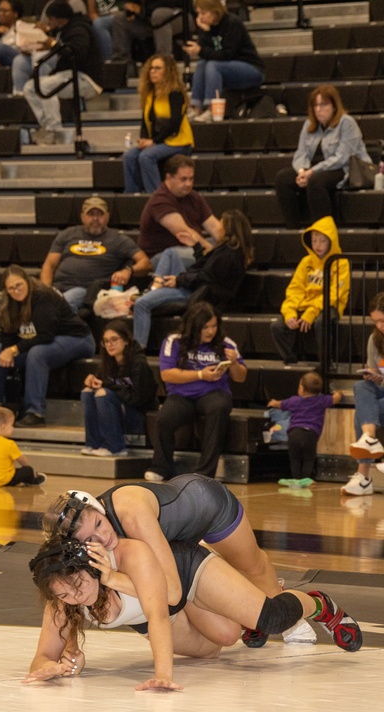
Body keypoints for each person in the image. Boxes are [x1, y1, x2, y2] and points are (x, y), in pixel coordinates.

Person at [24, 531, 361, 690]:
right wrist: (55, 665)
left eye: (78, 585)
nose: (75, 598)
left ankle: (318, 604)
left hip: (183, 574)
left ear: (91, 566)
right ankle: (243, 605)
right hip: (162, 612)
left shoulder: (124, 559)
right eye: (64, 595)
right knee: (219, 645)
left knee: (266, 618)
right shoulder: (64, 603)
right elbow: (42, 657)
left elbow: (158, 609)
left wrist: (163, 675)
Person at [42, 477, 322, 648]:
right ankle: (235, 587)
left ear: (99, 508)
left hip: (207, 507)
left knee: (252, 565)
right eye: (90, 538)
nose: (103, 537)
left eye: (100, 524)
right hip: (172, 542)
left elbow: (173, 592)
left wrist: (115, 579)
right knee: (227, 631)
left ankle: (288, 613)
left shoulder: (131, 515)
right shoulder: (92, 531)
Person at [146, 302, 245, 481]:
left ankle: (205, 473)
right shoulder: (174, 341)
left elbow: (241, 378)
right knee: (165, 418)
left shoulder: (226, 343)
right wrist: (201, 374)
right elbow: (167, 374)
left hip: (213, 393)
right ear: (193, 326)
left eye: (214, 326)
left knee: (220, 407)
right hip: (181, 395)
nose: (210, 331)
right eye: (205, 327)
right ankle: (160, 467)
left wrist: (235, 363)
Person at [0, 265, 95, 428]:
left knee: (37, 353)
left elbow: (45, 335)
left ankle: (35, 413)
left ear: (27, 281)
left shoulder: (43, 295)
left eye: (19, 285)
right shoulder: (9, 303)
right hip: (47, 340)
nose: (16, 290)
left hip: (78, 339)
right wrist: (6, 350)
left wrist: (13, 350)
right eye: (11, 288)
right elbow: (8, 334)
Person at [132, 208, 252, 347]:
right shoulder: (228, 250)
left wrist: (179, 281)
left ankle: (137, 351)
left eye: (221, 223)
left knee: (141, 304)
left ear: (228, 228)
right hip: (197, 286)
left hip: (198, 293)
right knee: (171, 253)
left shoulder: (229, 254)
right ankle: (155, 288)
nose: (218, 227)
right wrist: (195, 246)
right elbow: (205, 267)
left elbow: (206, 278)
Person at [274, 85, 370, 230]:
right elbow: (301, 153)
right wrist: (302, 171)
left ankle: (324, 232)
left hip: (343, 169)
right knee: (282, 178)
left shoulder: (347, 123)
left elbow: (342, 157)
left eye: (323, 104)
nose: (318, 109)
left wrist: (312, 171)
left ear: (334, 106)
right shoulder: (309, 124)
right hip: (314, 170)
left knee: (315, 181)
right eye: (315, 105)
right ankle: (293, 229)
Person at [39, 195, 149, 313]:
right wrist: (47, 290)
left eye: (100, 214)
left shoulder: (118, 239)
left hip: (86, 290)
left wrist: (128, 270)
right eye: (91, 214)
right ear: (82, 217)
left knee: (62, 304)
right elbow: (49, 265)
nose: (95, 218)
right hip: (57, 287)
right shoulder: (67, 234)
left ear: (107, 217)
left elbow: (146, 263)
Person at [270, 216, 350, 365]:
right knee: (276, 327)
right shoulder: (306, 262)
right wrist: (289, 312)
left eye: (322, 240)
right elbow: (295, 289)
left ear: (331, 241)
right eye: (314, 240)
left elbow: (334, 294)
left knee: (321, 322)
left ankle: (326, 363)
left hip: (329, 306)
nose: (317, 245)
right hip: (304, 305)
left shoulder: (341, 262)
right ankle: (290, 360)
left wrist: (312, 311)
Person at [23, 2, 104, 146]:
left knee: (44, 88)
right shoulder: (64, 29)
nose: (48, 22)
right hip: (69, 74)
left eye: (50, 19)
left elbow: (76, 53)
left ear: (58, 19)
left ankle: (55, 130)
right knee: (30, 87)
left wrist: (53, 44)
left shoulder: (79, 29)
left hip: (86, 78)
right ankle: (47, 126)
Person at [81, 319, 158, 456]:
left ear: (126, 341)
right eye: (106, 341)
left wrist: (108, 386)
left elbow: (138, 400)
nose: (109, 345)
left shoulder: (138, 364)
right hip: (118, 412)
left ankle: (114, 447)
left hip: (138, 416)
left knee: (103, 394)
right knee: (87, 392)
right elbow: (101, 382)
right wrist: (91, 381)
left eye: (114, 339)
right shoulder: (108, 362)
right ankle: (93, 443)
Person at [183, 0, 264, 123]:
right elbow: (206, 52)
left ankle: (211, 108)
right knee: (202, 64)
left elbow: (227, 54)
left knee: (212, 65)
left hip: (250, 69)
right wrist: (205, 32)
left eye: (203, 13)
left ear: (215, 11)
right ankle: (196, 107)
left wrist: (200, 50)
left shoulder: (232, 23)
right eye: (198, 14)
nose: (200, 17)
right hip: (227, 69)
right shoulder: (209, 28)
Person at [123, 54, 193, 194]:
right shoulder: (149, 94)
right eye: (151, 68)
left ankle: (156, 197)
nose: (153, 71)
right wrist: (143, 139)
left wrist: (154, 141)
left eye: (157, 68)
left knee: (146, 156)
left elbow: (174, 123)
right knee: (129, 156)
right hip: (158, 142)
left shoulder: (175, 93)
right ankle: (131, 194)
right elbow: (145, 121)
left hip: (177, 141)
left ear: (167, 71)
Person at [138, 155, 223, 267]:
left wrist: (230, 247)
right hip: (161, 256)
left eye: (191, 179)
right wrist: (210, 252)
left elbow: (213, 226)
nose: (188, 184)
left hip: (189, 248)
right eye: (183, 179)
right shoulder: (160, 200)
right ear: (169, 177)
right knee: (179, 253)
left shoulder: (194, 197)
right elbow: (185, 233)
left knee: (223, 244)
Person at [268, 372, 342, 485]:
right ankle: (306, 479)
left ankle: (296, 479)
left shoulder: (294, 400)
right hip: (311, 434)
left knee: (294, 458)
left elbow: (281, 404)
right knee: (309, 458)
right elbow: (335, 399)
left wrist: (274, 402)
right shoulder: (322, 400)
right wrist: (338, 393)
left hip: (294, 433)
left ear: (302, 389)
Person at [345, 291, 384, 497]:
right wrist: (374, 377)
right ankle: (369, 438)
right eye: (375, 321)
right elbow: (376, 371)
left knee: (364, 411)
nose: (379, 326)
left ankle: (363, 477)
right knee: (361, 387)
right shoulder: (374, 340)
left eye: (382, 320)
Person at [0, 405, 46, 487]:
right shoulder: (9, 444)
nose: (12, 428)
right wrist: (27, 466)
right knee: (27, 470)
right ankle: (32, 481)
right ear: (3, 427)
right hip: (4, 479)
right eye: (11, 425)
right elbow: (22, 459)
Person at [110, 1, 182, 69]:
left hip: (179, 13)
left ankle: (163, 63)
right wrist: (131, 7)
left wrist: (142, 9)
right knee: (119, 20)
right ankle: (122, 67)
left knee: (159, 16)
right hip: (148, 17)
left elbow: (172, 2)